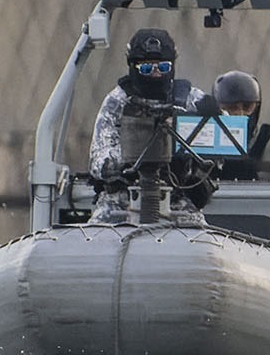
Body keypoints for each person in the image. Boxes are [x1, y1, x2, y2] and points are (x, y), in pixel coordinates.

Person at [88, 28, 205, 224]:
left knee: (203, 244)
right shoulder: (118, 102)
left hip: (176, 198)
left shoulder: (189, 98)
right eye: (146, 69)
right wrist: (132, 159)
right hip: (123, 199)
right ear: (133, 67)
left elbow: (227, 145)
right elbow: (98, 160)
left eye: (163, 68)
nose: (156, 75)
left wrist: (213, 113)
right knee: (95, 240)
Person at [206, 70, 270, 181]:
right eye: (231, 108)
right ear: (218, 107)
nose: (240, 114)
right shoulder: (205, 143)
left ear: (257, 107)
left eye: (247, 107)